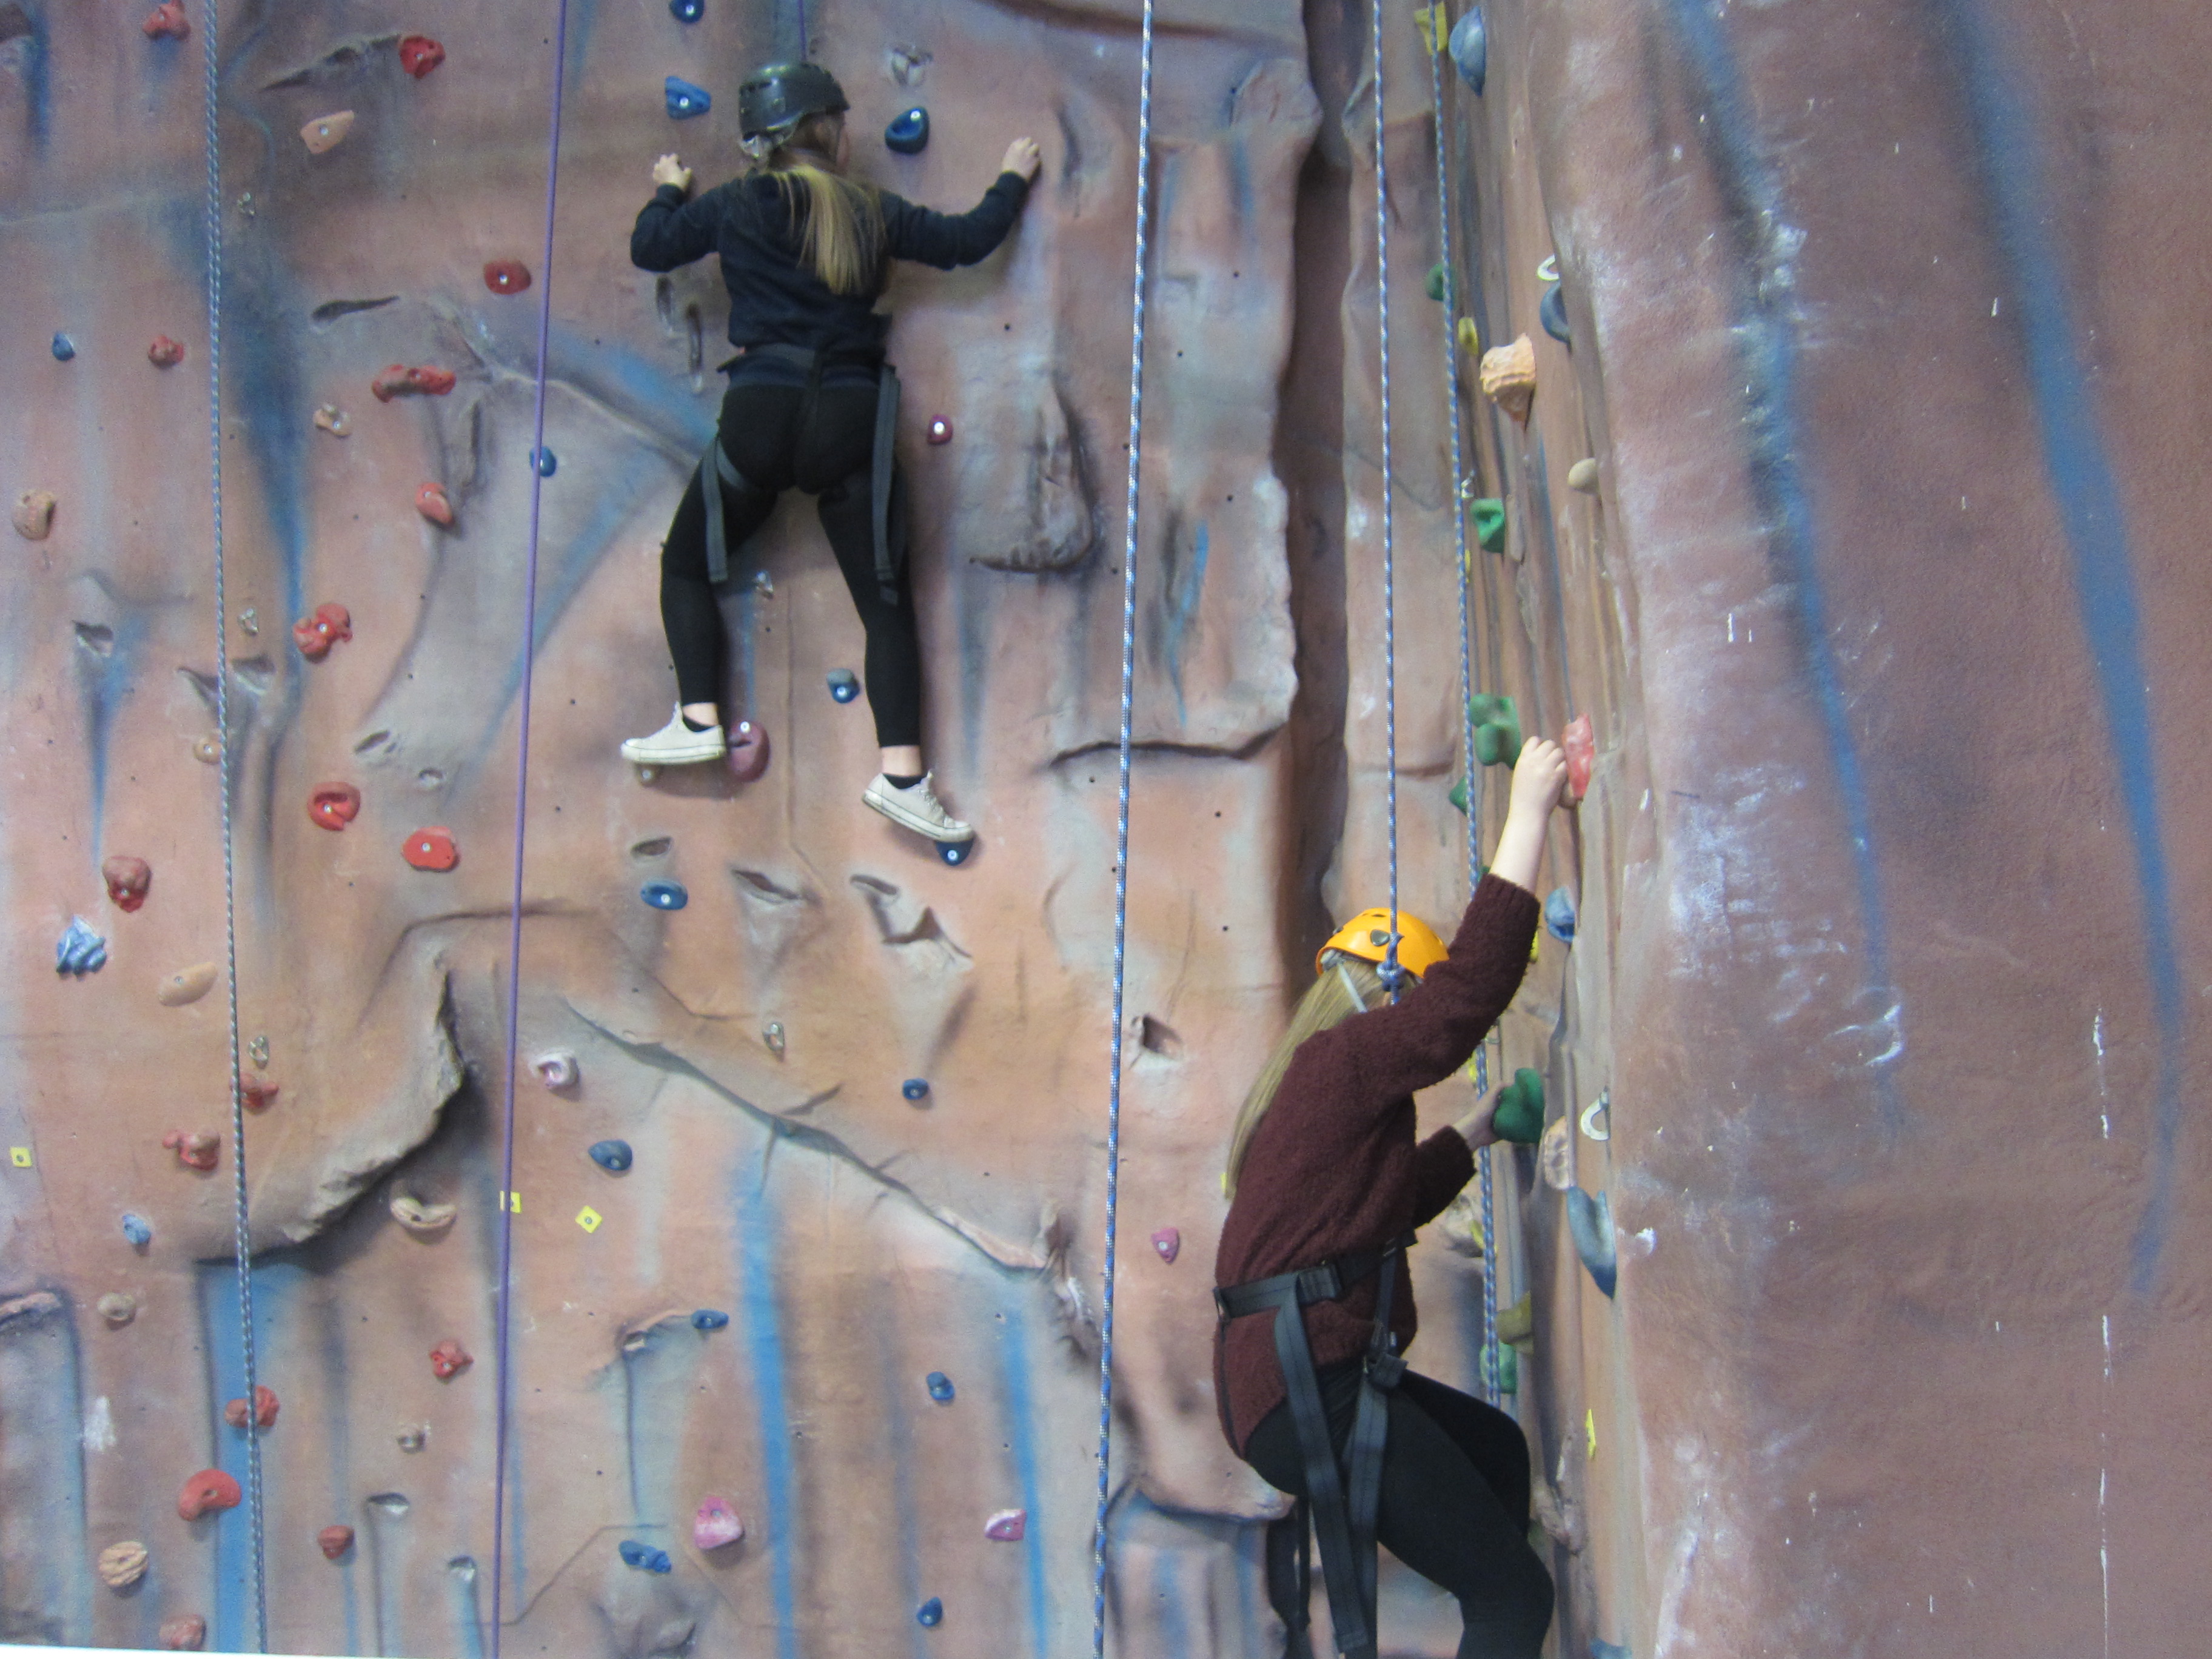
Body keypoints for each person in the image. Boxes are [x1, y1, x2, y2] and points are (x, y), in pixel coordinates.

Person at [1213, 737, 1569, 1659]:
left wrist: (1475, 1134)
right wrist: (1529, 810)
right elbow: (1466, 1001)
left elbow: (1379, 1209)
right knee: (1513, 1599)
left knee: (1496, 1455)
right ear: (1390, 993)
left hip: (1290, 1383)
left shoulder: (1312, 1088)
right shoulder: (1343, 1062)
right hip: (1308, 1385)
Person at [624, 61, 1042, 845]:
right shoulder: (869, 210)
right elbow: (967, 240)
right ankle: (903, 777)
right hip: (852, 415)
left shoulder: (738, 203)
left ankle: (699, 718)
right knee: (885, 605)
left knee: (685, 563)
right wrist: (1012, 179)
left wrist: (671, 188)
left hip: (764, 409)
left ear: (761, 143)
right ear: (831, 133)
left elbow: (651, 246)